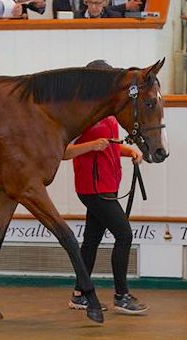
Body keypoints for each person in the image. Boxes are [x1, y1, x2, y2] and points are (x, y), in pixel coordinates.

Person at [62, 60, 148, 315]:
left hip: (107, 185)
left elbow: (108, 145)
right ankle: (121, 295)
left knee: (91, 241)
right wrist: (91, 146)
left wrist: (128, 150)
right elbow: (64, 152)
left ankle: (79, 294)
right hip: (92, 187)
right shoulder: (79, 113)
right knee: (124, 235)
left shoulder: (108, 111)